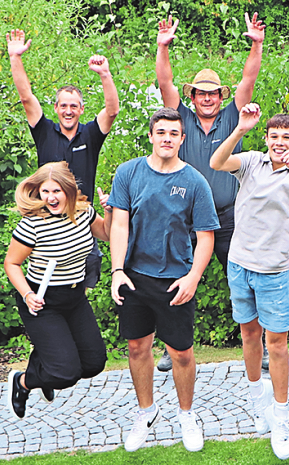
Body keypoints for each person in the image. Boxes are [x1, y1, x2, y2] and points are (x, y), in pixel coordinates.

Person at [209, 104, 289, 460]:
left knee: (276, 344)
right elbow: (217, 162)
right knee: (248, 333)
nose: (279, 143)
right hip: (239, 264)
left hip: (274, 270)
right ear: (267, 138)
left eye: (286, 137)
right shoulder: (250, 162)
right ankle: (257, 400)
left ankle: (280, 416)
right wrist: (240, 129)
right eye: (274, 136)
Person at [152, 13, 265, 372]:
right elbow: (164, 81)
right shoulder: (180, 118)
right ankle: (173, 347)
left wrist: (256, 44)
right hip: (186, 215)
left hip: (231, 216)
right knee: (177, 278)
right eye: (200, 93)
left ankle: (259, 349)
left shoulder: (234, 115)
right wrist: (163, 46)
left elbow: (249, 79)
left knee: (244, 277)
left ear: (220, 96)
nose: (206, 99)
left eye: (212, 93)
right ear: (194, 97)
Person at [109, 108, 219, 453]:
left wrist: (193, 278)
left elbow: (206, 237)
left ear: (182, 139)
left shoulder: (194, 182)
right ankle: (146, 412)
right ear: (152, 136)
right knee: (137, 348)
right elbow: (119, 225)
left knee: (181, 353)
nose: (167, 138)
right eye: (162, 132)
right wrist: (116, 271)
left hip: (176, 280)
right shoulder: (128, 173)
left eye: (174, 133)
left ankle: (187, 414)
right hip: (135, 278)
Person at [7, 30, 120, 291]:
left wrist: (105, 75)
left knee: (81, 287)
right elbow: (26, 97)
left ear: (81, 109)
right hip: (45, 221)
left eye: (74, 106)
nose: (68, 111)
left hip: (82, 221)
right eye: (63, 106)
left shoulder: (91, 134)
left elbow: (112, 110)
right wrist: (15, 57)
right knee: (42, 283)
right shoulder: (44, 131)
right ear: (56, 108)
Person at [2, 162, 112, 418]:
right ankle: (22, 383)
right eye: (45, 192)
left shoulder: (84, 213)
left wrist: (111, 211)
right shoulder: (32, 225)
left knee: (94, 363)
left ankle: (45, 363)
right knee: (65, 373)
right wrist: (28, 295)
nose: (51, 198)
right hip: (41, 300)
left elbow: (107, 233)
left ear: (69, 191)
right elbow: (12, 263)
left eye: (57, 191)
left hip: (74, 297)